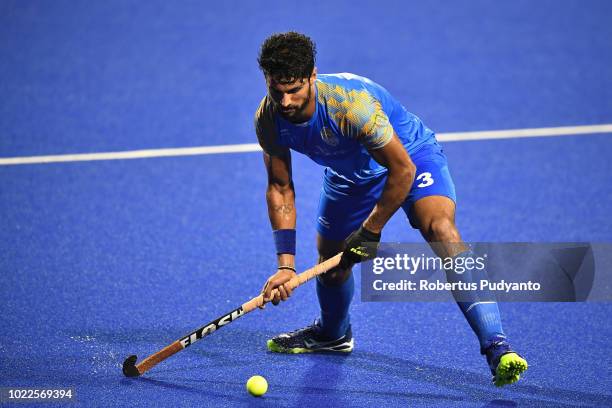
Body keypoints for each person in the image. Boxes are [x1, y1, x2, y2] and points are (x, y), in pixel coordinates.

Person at [254, 31, 527, 386]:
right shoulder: (268, 119)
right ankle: (333, 335)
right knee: (332, 267)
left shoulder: (351, 106)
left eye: (295, 90)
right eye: (278, 90)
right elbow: (280, 187)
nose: (286, 101)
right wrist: (285, 266)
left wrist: (370, 231)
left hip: (409, 156)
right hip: (351, 176)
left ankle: (497, 346)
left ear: (312, 76)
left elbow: (403, 171)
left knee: (441, 230)